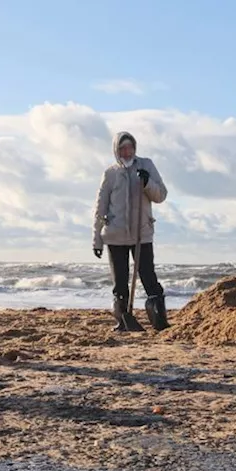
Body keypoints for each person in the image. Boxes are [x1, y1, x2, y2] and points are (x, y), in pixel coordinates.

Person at [91, 131, 170, 331]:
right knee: (120, 281)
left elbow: (161, 195)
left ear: (135, 148)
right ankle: (123, 321)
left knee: (148, 276)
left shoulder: (146, 165)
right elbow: (100, 208)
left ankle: (159, 321)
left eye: (130, 147)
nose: (127, 152)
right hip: (115, 235)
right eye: (122, 148)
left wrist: (146, 183)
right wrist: (97, 240)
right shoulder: (110, 174)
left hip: (141, 233)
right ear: (116, 150)